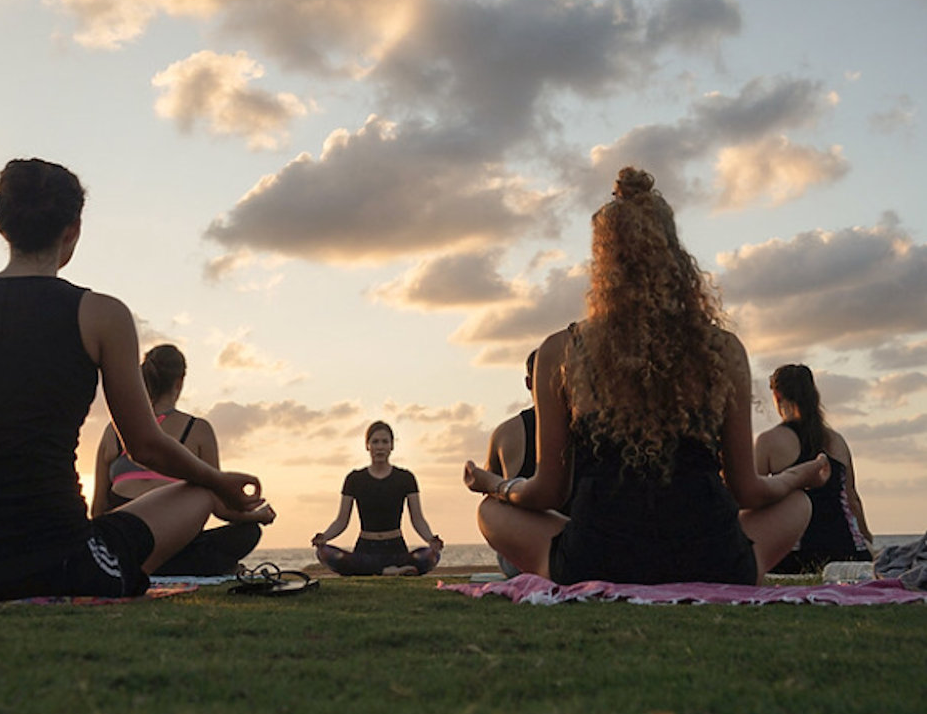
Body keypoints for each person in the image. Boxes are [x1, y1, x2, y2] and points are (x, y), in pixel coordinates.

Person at [0, 158, 266, 601]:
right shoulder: (102, 314)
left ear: (1, 225)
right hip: (60, 562)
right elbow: (146, 444)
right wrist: (218, 483)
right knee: (197, 492)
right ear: (72, 230)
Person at [464, 167, 829, 585]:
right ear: (674, 254)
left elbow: (548, 494)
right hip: (712, 558)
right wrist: (797, 475)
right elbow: (747, 491)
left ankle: (565, 570)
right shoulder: (722, 350)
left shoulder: (561, 352)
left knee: (489, 512)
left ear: (603, 261)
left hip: (596, 558)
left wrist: (495, 484)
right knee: (798, 505)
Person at [93, 343, 273, 575]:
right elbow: (219, 505)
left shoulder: (114, 430)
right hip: (176, 544)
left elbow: (98, 507)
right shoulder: (197, 430)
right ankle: (176, 565)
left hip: (124, 545)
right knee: (248, 532)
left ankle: (146, 565)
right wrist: (259, 515)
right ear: (180, 381)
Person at [756, 364, 873, 573]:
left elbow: (751, 497)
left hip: (795, 557)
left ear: (777, 395)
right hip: (848, 553)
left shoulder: (769, 441)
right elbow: (852, 498)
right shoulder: (837, 440)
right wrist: (866, 539)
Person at [312, 421, 443, 576]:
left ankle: (378, 571)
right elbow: (341, 521)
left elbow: (418, 519)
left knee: (431, 556)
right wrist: (324, 537)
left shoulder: (406, 478)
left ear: (392, 445)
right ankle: (389, 572)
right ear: (367, 446)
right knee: (324, 553)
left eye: (385, 442)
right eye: (375, 442)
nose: (380, 447)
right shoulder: (354, 479)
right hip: (365, 550)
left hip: (396, 549)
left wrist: (431, 540)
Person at [483, 350, 537, 577]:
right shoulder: (594, 428)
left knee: (489, 506)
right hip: (579, 549)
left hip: (519, 559)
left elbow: (487, 482)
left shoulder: (506, 432)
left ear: (528, 383)